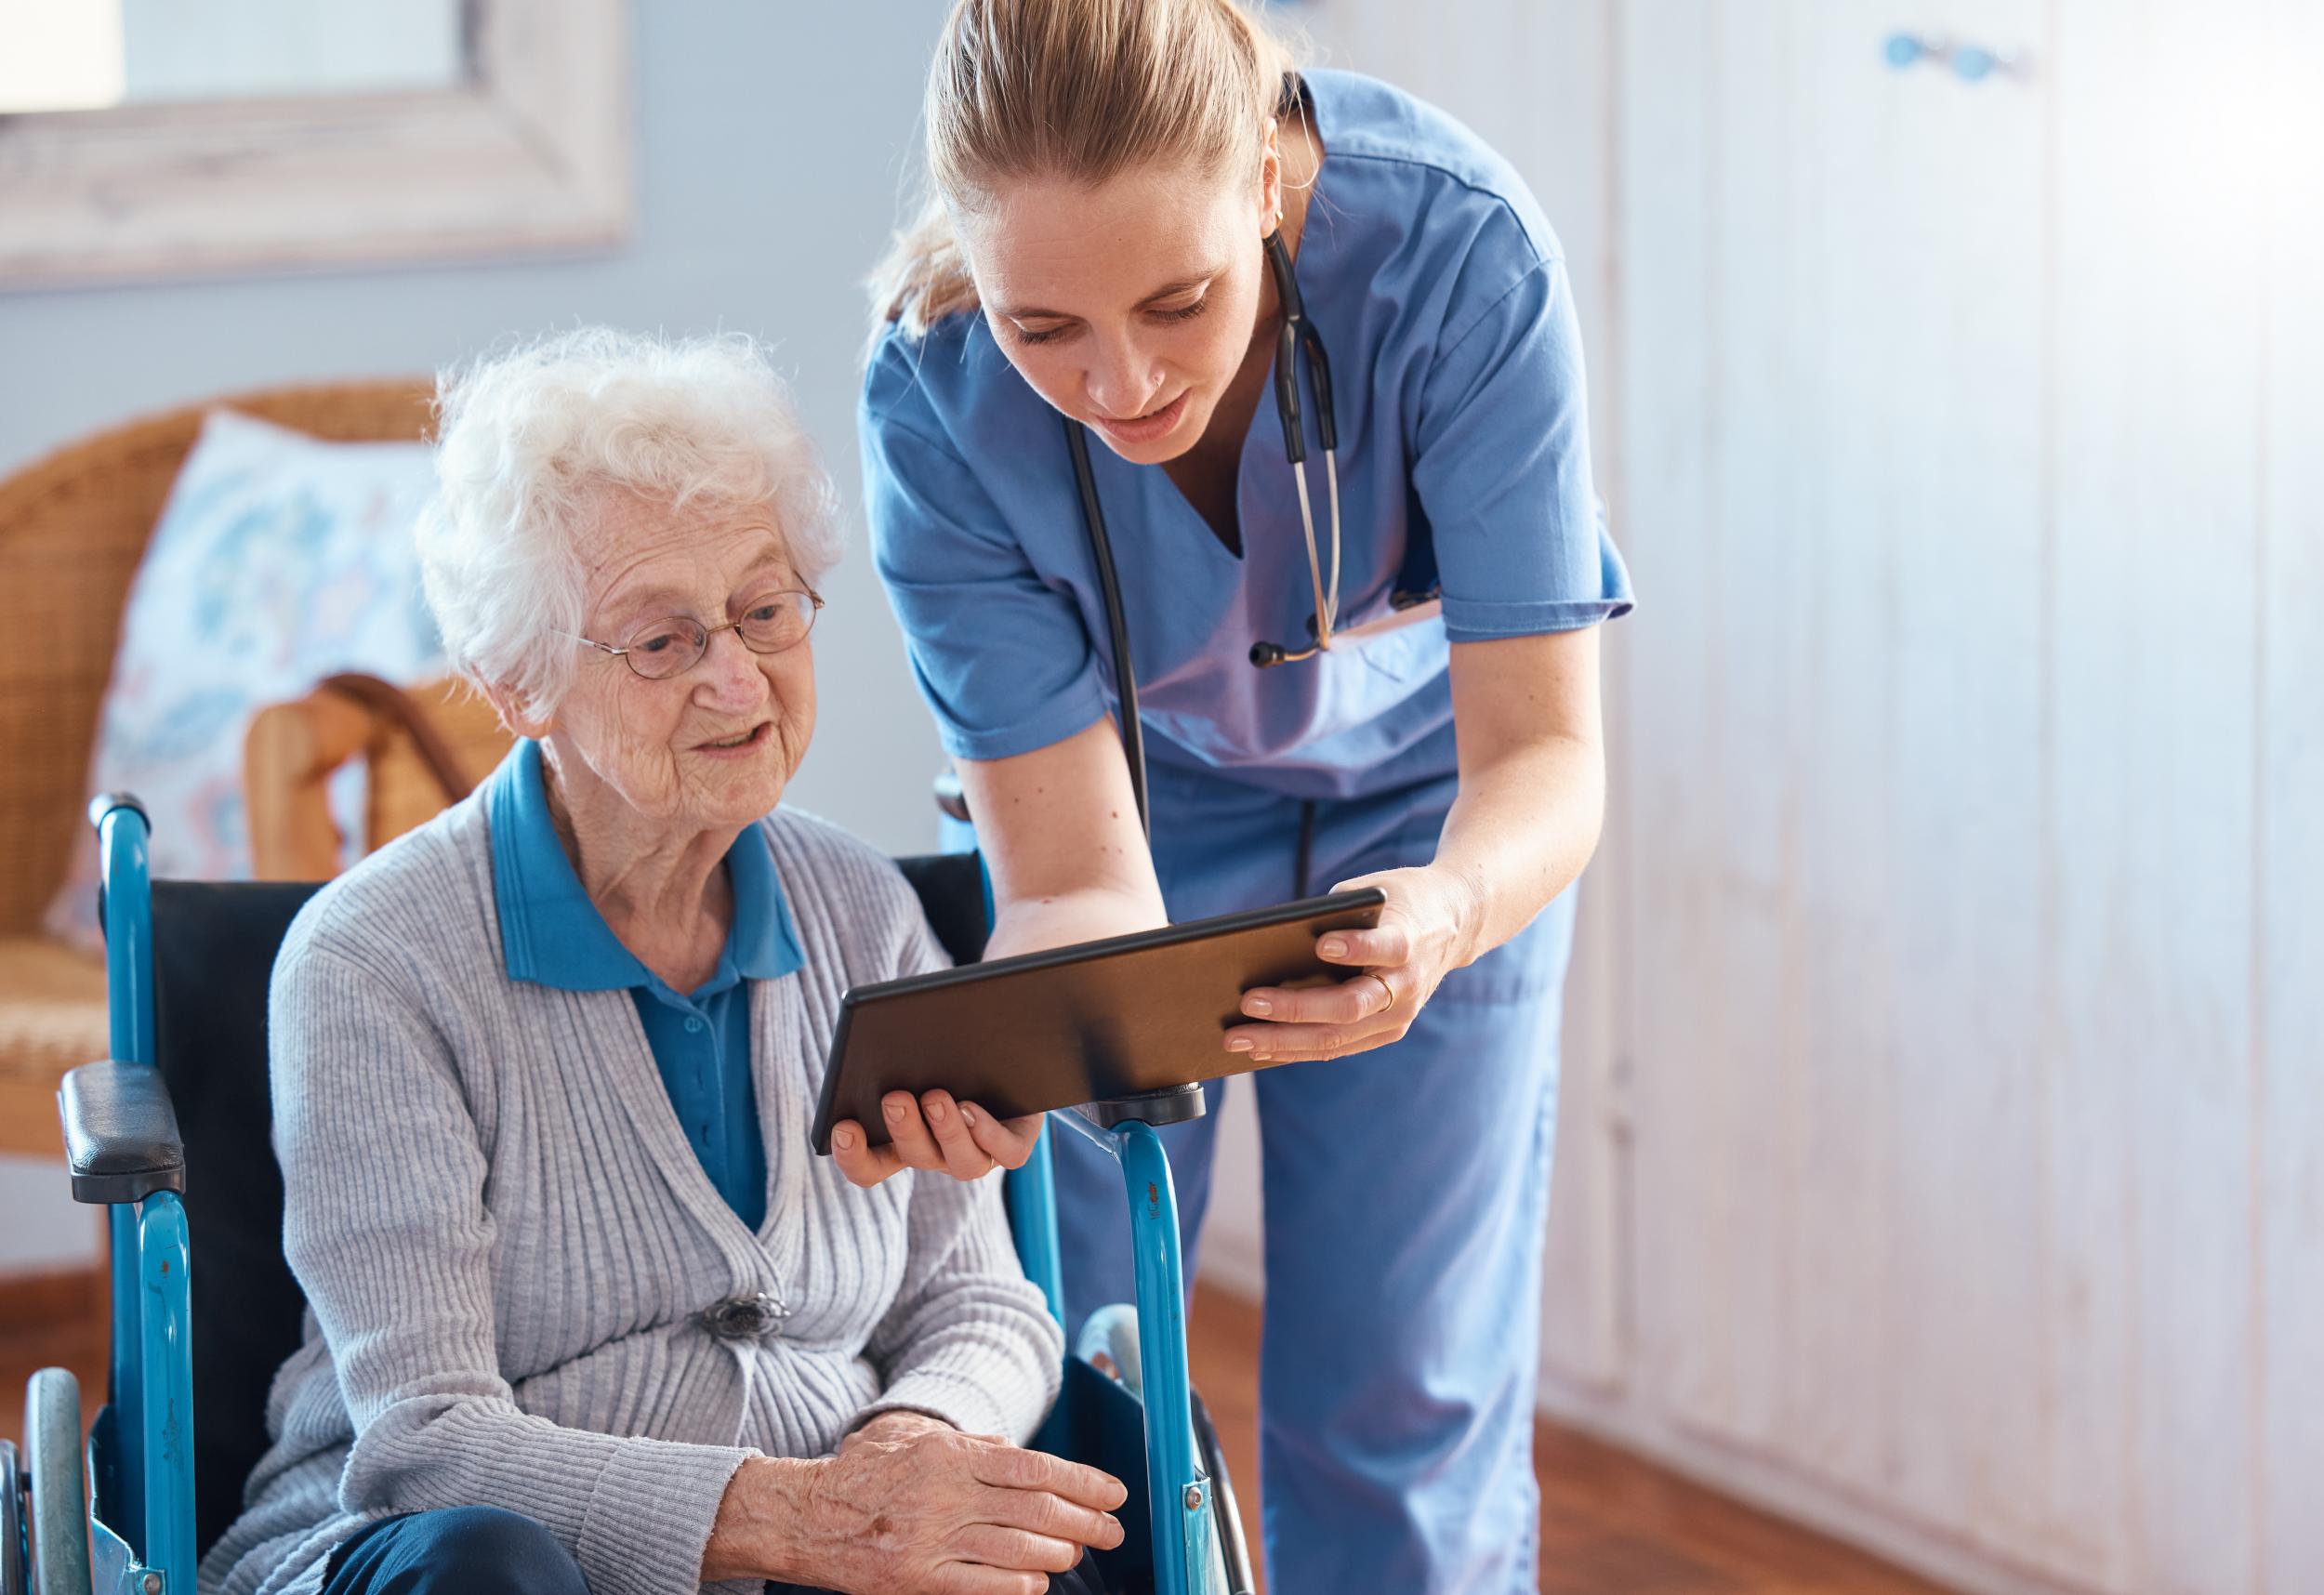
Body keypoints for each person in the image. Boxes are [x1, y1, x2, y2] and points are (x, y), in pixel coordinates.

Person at [844, 4, 1633, 1590]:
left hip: (1428, 828)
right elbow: (1070, 876)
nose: (1118, 381)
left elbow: (1545, 757)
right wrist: (1049, 1038)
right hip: (1117, 823)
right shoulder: (933, 398)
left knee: (1405, 1392)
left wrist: (1451, 912)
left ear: (1270, 180)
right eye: (1041, 326)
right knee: (1068, 1371)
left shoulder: (1461, 258)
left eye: (1179, 300)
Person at [200, 330, 1121, 1595]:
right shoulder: (376, 965)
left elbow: (983, 1307)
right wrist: (790, 1516)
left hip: (822, 1556)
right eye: (662, 641)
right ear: (516, 680)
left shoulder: (864, 912)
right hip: (460, 1558)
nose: (738, 678)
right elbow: (422, 1447)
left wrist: (907, 1453)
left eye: (762, 608)